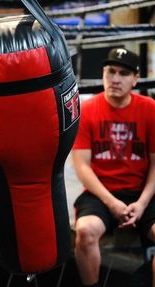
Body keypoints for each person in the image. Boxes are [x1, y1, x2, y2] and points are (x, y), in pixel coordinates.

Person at [72, 47, 155, 287]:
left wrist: (141, 203)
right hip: (101, 193)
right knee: (86, 232)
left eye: (123, 73)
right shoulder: (86, 110)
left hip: (143, 193)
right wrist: (111, 202)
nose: (115, 79)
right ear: (103, 73)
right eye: (110, 72)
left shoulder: (149, 109)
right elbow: (82, 167)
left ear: (136, 78)